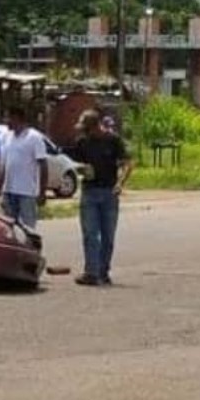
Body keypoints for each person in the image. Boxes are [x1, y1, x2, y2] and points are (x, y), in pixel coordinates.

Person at [70, 109, 133, 287]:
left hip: (109, 193)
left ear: (95, 127)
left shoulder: (113, 141)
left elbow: (127, 164)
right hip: (89, 191)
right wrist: (81, 169)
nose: (84, 133)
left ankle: (103, 271)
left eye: (86, 129)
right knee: (90, 234)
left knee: (108, 236)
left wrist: (120, 183)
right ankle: (91, 272)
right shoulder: (82, 142)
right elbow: (76, 163)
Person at [0, 106, 48, 229]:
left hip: (26, 192)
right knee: (8, 228)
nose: (6, 121)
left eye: (9, 118)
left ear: (17, 118)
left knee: (27, 228)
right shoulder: (6, 137)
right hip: (8, 191)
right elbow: (4, 164)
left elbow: (43, 165)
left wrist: (42, 192)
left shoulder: (34, 137)